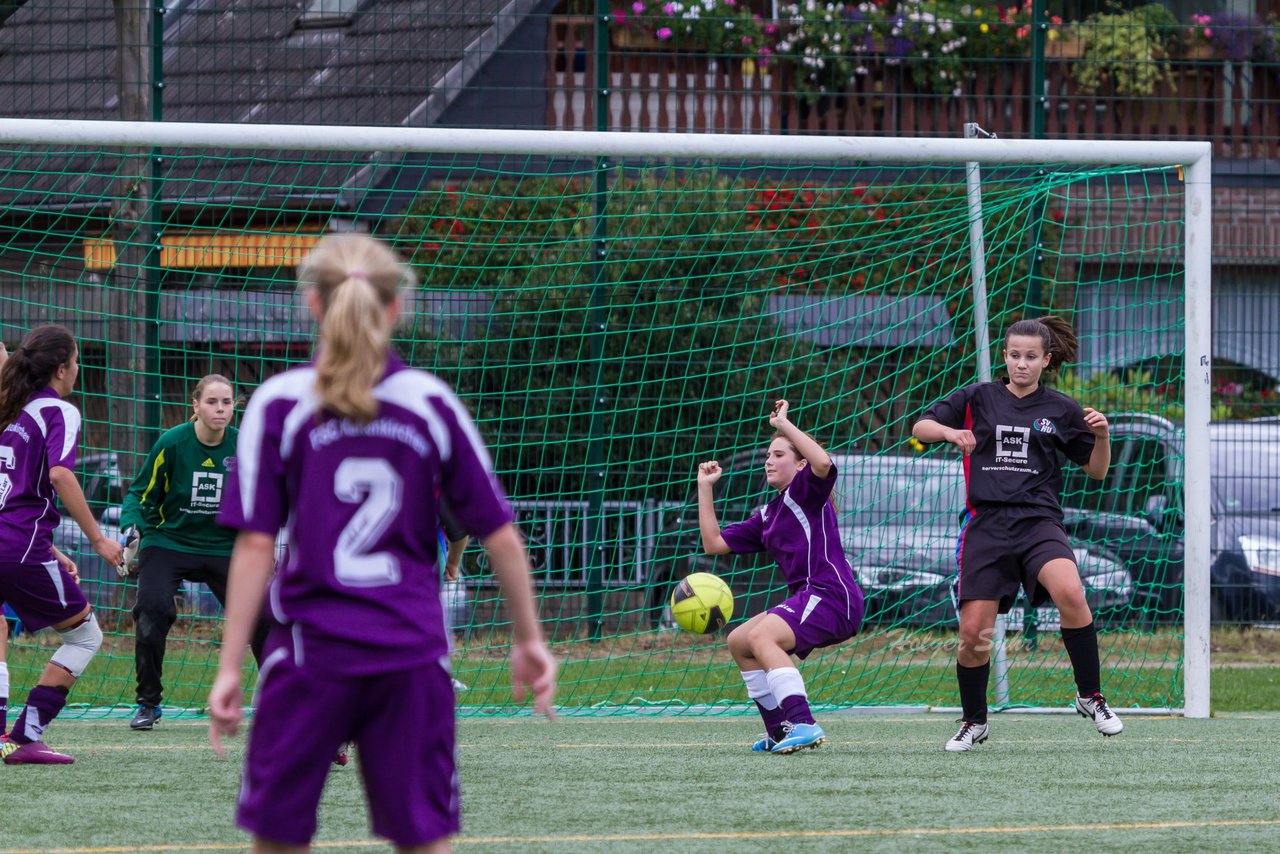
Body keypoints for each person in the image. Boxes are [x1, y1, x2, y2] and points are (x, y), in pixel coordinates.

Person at [207, 232, 556, 853]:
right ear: (397, 309)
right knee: (424, 842)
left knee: (278, 841)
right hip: (412, 658)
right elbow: (499, 534)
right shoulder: (430, 404)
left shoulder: (278, 404)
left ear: (312, 305)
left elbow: (255, 546)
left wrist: (231, 665)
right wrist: (529, 640)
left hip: (309, 658)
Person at [912, 315, 1122, 753]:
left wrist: (1101, 436)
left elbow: (1097, 471)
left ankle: (1090, 696)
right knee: (974, 635)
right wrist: (951, 432)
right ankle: (974, 721)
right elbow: (920, 429)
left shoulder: (1062, 409)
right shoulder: (978, 397)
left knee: (1071, 591)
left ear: (1046, 360)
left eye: (1031, 357)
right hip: (987, 526)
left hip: (1039, 523)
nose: (1021, 364)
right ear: (1004, 356)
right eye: (1014, 355)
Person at [697, 400, 865, 755]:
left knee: (761, 636)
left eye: (778, 454)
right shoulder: (769, 514)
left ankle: (803, 722)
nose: (768, 461)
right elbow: (713, 544)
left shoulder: (806, 491)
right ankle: (779, 729)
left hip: (832, 595)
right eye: (768, 455)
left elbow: (823, 463)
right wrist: (706, 486)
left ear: (799, 463)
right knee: (739, 641)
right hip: (807, 597)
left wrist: (784, 424)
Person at [0, 325, 124, 764]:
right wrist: (99, 539)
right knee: (86, 636)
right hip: (17, 547)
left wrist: (51, 547)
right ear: (60, 368)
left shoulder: (12, 410)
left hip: (13, 540)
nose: (79, 368)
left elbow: (10, 491)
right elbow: (60, 475)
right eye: (76, 360)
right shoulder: (58, 410)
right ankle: (24, 736)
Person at [118, 374, 268, 731]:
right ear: (195, 405)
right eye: (212, 402)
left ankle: (289, 704)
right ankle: (148, 703)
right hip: (169, 540)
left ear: (235, 407)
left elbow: (263, 499)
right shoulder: (172, 444)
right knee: (152, 610)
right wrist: (131, 526)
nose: (220, 409)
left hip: (224, 545)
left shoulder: (244, 445)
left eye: (227, 402)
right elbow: (139, 495)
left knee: (264, 618)